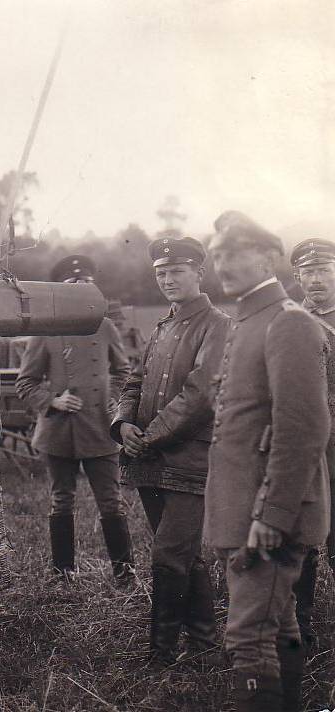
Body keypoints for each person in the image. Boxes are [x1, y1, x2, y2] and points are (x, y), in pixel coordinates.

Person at [204, 211, 330, 712]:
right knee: (278, 626)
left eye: (234, 251)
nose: (222, 262)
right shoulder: (249, 320)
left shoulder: (288, 322)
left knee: (248, 637)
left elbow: (304, 429)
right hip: (244, 511)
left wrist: (273, 516)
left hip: (269, 516)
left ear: (268, 256)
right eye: (216, 254)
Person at [111, 237, 230, 664]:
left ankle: (160, 654)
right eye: (161, 273)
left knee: (167, 554)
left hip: (189, 460)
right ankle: (203, 643)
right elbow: (134, 382)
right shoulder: (161, 327)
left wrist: (151, 434)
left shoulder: (218, 325)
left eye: (177, 271)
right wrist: (122, 422)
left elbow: (201, 395)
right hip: (150, 458)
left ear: (199, 273)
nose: (167, 280)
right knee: (183, 553)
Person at [15, 255, 135, 583]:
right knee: (61, 499)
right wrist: (53, 400)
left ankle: (125, 574)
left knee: (111, 501)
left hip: (100, 428)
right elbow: (25, 382)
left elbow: (124, 371)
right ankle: (63, 573)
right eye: (72, 285)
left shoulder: (106, 326)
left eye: (85, 285)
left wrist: (114, 401)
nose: (79, 290)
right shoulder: (46, 331)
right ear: (61, 291)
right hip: (59, 431)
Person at [288, 237, 335, 647]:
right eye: (308, 272)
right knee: (304, 536)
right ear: (296, 277)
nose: (316, 279)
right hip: (306, 447)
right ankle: (301, 624)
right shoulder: (289, 321)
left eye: (323, 270)